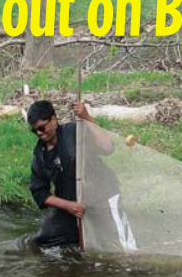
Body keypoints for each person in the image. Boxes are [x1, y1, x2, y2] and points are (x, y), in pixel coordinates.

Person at [27, 98, 136, 251]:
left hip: (103, 196)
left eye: (42, 128)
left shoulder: (75, 131)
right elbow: (40, 193)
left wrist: (86, 117)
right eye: (34, 131)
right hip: (73, 206)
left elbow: (107, 147)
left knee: (124, 246)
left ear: (53, 119)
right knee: (45, 239)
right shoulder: (40, 156)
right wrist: (68, 206)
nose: (39, 133)